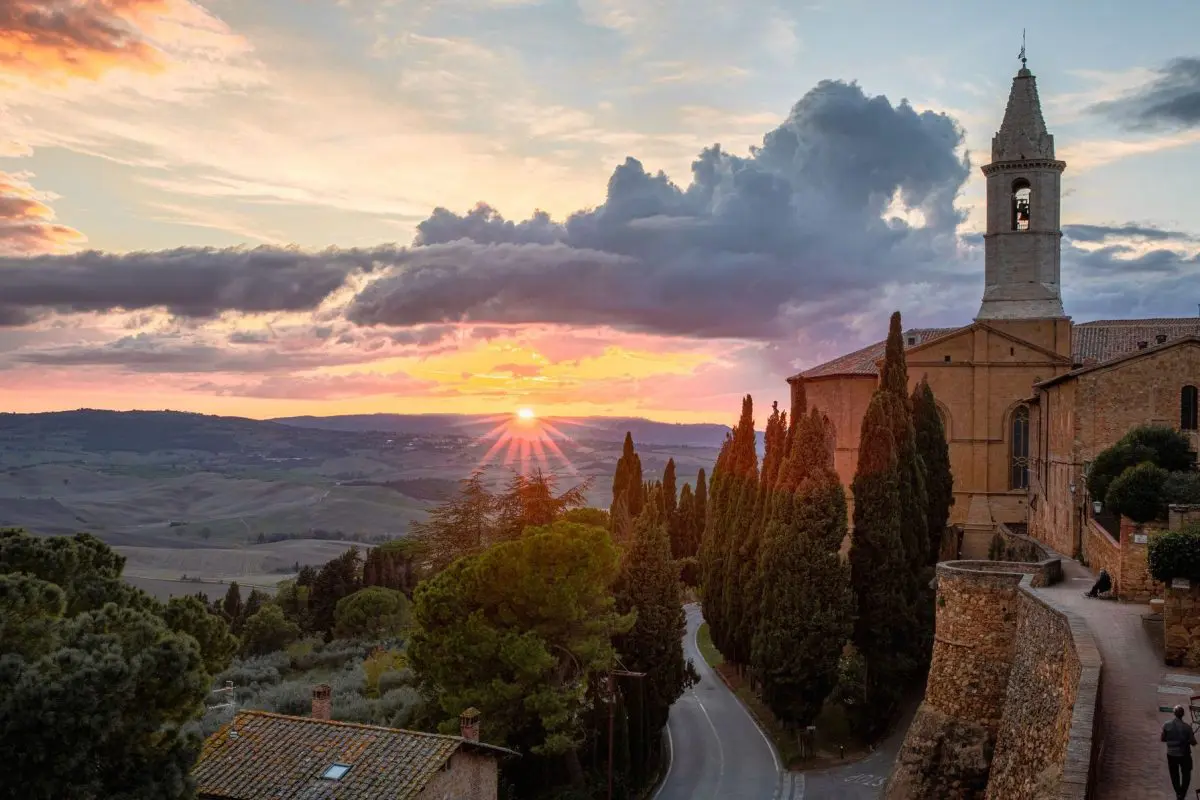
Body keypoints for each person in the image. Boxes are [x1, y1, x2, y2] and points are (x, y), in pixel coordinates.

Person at [1162, 704, 1197, 800]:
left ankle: (1178, 792)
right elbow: (1193, 742)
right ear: (1183, 714)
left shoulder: (1166, 725)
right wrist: (1189, 737)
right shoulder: (1187, 728)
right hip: (1184, 754)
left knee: (1174, 774)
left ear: (1174, 713)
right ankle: (1183, 793)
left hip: (1171, 754)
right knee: (1186, 774)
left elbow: (1163, 739)